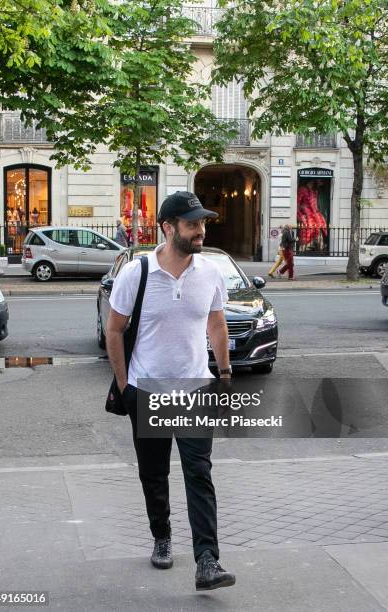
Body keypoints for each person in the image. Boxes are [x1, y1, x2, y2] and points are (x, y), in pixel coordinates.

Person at [106, 191, 236, 591]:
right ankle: (161, 536)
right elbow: (113, 330)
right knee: (154, 474)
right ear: (168, 227)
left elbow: (216, 324)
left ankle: (207, 561)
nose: (201, 230)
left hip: (196, 389)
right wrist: (126, 387)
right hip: (148, 392)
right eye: (192, 223)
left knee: (199, 473)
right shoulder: (137, 273)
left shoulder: (211, 271)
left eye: (202, 223)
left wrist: (226, 374)